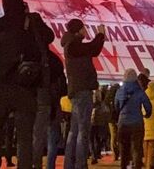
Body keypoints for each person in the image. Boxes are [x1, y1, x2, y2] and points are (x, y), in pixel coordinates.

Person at [0, 0, 55, 169]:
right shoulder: (32, 21)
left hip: (3, 85)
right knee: (25, 136)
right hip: (26, 85)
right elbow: (49, 37)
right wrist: (29, 17)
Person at [61, 19, 106, 169]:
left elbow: (92, 49)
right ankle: (80, 164)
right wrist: (100, 35)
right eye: (84, 28)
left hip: (77, 91)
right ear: (78, 30)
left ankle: (70, 163)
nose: (86, 31)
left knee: (74, 131)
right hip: (82, 91)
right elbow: (93, 48)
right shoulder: (74, 46)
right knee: (82, 130)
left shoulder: (71, 45)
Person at [33, 50, 68, 169]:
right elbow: (64, 88)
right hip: (54, 103)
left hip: (38, 100)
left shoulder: (32, 55)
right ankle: (50, 165)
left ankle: (36, 164)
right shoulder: (55, 60)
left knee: (37, 137)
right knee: (52, 139)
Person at [115, 69, 152, 169]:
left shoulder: (119, 91)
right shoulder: (139, 91)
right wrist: (147, 114)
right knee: (136, 148)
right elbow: (148, 105)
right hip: (137, 123)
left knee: (123, 148)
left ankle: (123, 166)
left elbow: (116, 106)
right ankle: (136, 166)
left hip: (123, 123)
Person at [90, 87, 110, 164]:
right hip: (99, 121)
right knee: (98, 138)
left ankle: (93, 155)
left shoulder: (91, 96)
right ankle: (96, 154)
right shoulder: (102, 104)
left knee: (92, 139)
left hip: (92, 121)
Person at [106, 84, 121, 161]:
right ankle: (120, 152)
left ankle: (115, 154)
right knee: (120, 136)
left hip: (110, 119)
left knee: (113, 136)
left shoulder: (108, 99)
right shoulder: (119, 97)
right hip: (118, 118)